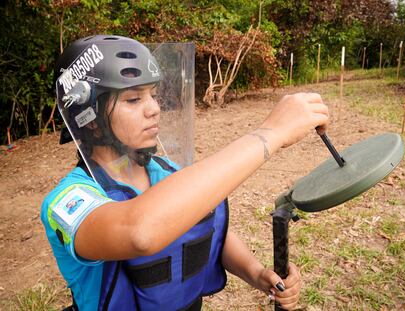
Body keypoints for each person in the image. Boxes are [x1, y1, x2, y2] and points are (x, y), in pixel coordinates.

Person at [41, 35, 329, 311]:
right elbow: (139, 233)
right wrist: (270, 134)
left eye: (153, 95)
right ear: (89, 119)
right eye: (133, 100)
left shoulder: (168, 172)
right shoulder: (67, 202)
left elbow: (206, 224)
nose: (154, 109)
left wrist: (256, 273)